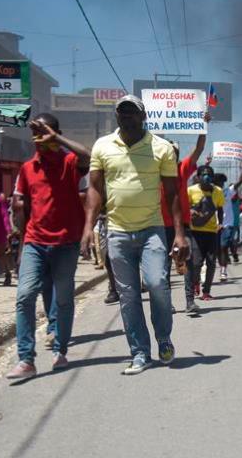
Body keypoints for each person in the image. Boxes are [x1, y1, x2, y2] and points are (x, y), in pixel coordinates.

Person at [82, 95, 189, 375]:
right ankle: (140, 352)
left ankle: (163, 337)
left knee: (157, 284)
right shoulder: (102, 146)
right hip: (117, 231)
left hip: (152, 230)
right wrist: (87, 227)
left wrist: (179, 233)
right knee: (128, 296)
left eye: (132, 112)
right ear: (116, 116)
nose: (126, 116)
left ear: (143, 117)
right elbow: (95, 189)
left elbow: (172, 193)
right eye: (122, 112)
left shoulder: (162, 148)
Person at [5, 113, 91, 379]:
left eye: (44, 133)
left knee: (63, 300)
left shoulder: (69, 162)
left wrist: (56, 139)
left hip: (66, 243)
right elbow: (22, 207)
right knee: (24, 296)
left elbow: (87, 155)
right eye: (36, 134)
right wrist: (21, 244)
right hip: (35, 242)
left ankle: (60, 351)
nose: (39, 139)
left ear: (56, 134)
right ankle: (26, 359)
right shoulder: (28, 168)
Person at [160, 133, 205, 314]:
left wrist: (203, 128)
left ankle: (190, 301)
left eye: (174, 152)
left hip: (183, 225)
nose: (171, 155)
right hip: (162, 226)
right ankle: (167, 303)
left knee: (188, 260)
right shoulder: (155, 173)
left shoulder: (182, 169)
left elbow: (199, 149)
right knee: (164, 266)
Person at [189, 165, 224, 299]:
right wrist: (192, 211)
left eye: (209, 174)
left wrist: (220, 223)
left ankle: (206, 291)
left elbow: (220, 209)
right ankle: (195, 283)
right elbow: (185, 208)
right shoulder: (191, 190)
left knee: (211, 262)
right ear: (198, 177)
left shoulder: (218, 191)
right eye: (203, 174)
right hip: (195, 232)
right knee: (196, 263)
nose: (206, 177)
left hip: (212, 232)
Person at [219, 164, 242, 281]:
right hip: (212, 225)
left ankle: (223, 271)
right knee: (216, 249)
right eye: (219, 182)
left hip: (227, 224)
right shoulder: (211, 192)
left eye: (222, 182)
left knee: (223, 246)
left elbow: (240, 181)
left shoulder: (228, 191)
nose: (221, 184)